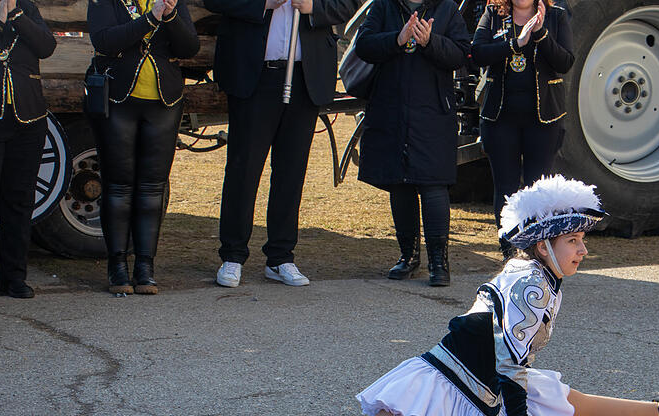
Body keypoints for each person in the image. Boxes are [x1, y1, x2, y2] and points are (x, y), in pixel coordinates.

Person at [170, 175, 659, 416]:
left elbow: (514, 368)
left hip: (486, 381)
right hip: (453, 384)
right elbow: (508, 368)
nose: (583, 251)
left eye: (584, 242)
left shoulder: (539, 274)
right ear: (542, 244)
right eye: (574, 242)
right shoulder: (532, 284)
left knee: (568, 399)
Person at [209, 0, 359, 289]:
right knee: (244, 167)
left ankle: (280, 256)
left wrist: (313, 6)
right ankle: (232, 255)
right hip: (254, 73)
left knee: (291, 171)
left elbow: (347, 3)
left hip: (305, 75)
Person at [87, 0, 199, 295]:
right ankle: (118, 266)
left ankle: (145, 267)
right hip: (117, 99)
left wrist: (171, 15)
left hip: (164, 101)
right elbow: (104, 40)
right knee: (119, 186)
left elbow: (189, 47)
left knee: (153, 187)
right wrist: (151, 19)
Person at [355, 0, 470, 286]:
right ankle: (408, 257)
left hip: (432, 111)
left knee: (433, 185)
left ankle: (439, 263)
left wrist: (430, 41)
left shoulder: (447, 8)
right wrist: (398, 39)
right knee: (400, 183)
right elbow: (364, 46)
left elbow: (460, 54)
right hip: (391, 110)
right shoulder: (383, 6)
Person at [471, 0, 572, 259]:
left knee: (537, 189)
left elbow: (565, 62)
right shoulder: (493, 14)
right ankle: (509, 252)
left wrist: (540, 35)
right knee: (505, 188)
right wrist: (515, 44)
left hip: (543, 120)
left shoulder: (556, 16)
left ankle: (535, 253)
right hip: (500, 117)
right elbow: (478, 53)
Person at [0, 0, 55, 298]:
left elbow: (46, 46)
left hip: (28, 117)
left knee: (19, 200)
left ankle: (13, 278)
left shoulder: (27, 8)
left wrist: (16, 14)